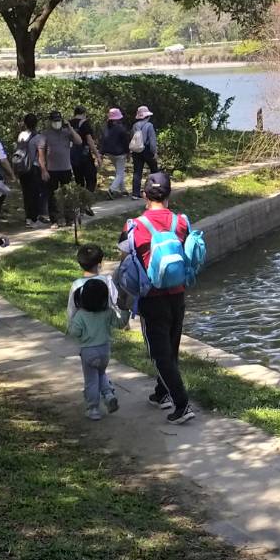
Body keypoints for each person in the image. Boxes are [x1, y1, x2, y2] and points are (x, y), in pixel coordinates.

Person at [121, 172, 196, 424]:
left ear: (144, 195)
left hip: (151, 297)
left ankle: (182, 403)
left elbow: (125, 254)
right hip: (178, 295)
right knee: (171, 347)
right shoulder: (182, 222)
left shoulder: (135, 225)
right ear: (169, 195)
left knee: (159, 353)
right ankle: (161, 393)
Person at [68, 275, 126, 420]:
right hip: (104, 351)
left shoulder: (81, 315)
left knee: (91, 380)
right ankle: (108, 395)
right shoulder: (107, 313)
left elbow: (75, 332)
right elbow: (121, 324)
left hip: (88, 352)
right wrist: (125, 309)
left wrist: (73, 326)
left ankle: (93, 408)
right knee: (101, 374)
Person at [41, 109, 79, 225]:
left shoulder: (67, 132)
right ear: (50, 121)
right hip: (51, 170)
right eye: (54, 121)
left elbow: (79, 141)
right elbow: (41, 152)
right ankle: (55, 220)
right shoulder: (45, 134)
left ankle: (69, 219)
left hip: (66, 168)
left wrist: (70, 128)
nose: (56, 123)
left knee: (67, 195)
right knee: (52, 196)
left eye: (58, 120)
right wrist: (43, 170)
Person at [14, 113, 44, 226]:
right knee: (35, 193)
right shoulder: (38, 137)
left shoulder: (21, 135)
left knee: (26, 193)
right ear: (36, 124)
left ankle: (28, 218)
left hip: (22, 167)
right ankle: (34, 219)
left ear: (25, 123)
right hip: (34, 167)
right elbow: (40, 155)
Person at [69, 106, 99, 212]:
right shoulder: (84, 123)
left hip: (72, 156)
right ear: (84, 113)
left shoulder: (69, 123)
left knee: (79, 181)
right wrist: (98, 156)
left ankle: (80, 205)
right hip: (85, 156)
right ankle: (86, 203)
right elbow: (90, 141)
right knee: (91, 179)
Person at [129, 106, 160, 199]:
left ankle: (135, 193)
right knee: (154, 169)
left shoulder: (135, 125)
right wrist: (154, 152)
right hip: (146, 149)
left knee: (137, 171)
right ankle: (155, 190)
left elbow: (132, 137)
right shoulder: (149, 125)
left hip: (136, 150)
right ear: (148, 116)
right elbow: (152, 141)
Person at [100, 107, 131, 198]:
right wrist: (128, 153)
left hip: (110, 153)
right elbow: (126, 142)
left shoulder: (106, 128)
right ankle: (112, 189)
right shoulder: (121, 129)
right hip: (120, 154)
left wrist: (101, 152)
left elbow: (103, 141)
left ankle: (123, 190)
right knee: (120, 173)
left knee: (118, 171)